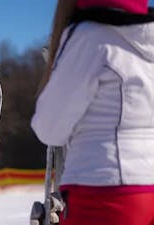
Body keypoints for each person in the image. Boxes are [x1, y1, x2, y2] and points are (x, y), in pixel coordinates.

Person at [31, 0, 154, 225]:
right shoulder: (147, 38)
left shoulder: (90, 36)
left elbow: (49, 128)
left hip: (103, 190)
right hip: (148, 190)